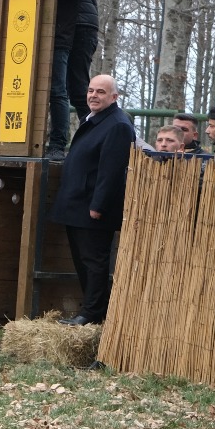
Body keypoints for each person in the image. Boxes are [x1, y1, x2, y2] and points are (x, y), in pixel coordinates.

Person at [2, 0, 96, 160]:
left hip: (58, 36)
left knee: (57, 92)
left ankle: (57, 145)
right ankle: (20, 142)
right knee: (26, 90)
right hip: (27, 39)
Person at [49, 75, 133, 326]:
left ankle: (92, 314)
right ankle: (91, 311)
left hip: (92, 208)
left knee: (94, 262)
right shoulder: (97, 120)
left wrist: (98, 206)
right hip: (77, 203)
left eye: (101, 92)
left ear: (114, 97)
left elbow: (112, 171)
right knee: (83, 261)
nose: (93, 96)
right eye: (90, 91)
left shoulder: (118, 124)